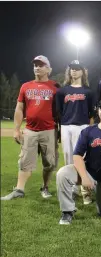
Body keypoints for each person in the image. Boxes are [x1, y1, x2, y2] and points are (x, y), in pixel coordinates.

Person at [56, 98, 101, 225]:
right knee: (63, 174)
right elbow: (77, 155)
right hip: (90, 173)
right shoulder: (88, 131)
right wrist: (84, 177)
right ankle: (67, 211)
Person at [2, 55, 59, 200]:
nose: (37, 67)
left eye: (41, 65)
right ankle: (19, 190)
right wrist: (16, 129)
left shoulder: (56, 87)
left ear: (48, 69)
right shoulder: (26, 86)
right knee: (24, 161)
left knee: (50, 163)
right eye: (35, 65)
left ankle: (45, 187)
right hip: (30, 130)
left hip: (49, 130)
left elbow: (61, 110)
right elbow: (19, 108)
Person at [56, 60, 95, 205]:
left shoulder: (88, 91)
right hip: (66, 126)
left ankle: (86, 191)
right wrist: (60, 130)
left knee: (83, 157)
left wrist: (90, 130)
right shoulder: (62, 91)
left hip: (83, 126)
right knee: (68, 156)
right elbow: (59, 112)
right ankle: (72, 188)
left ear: (82, 72)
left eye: (77, 69)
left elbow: (92, 113)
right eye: (72, 69)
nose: (74, 71)